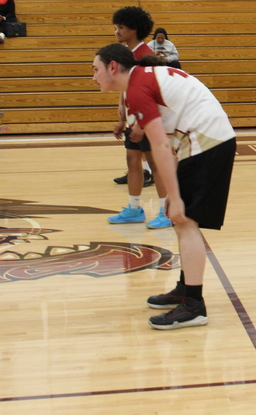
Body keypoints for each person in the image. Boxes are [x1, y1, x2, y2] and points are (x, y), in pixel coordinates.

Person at [92, 43, 237, 330]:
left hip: (207, 142)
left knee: (185, 221)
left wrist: (174, 196)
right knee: (181, 221)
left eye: (95, 70)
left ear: (112, 67)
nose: (93, 77)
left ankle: (193, 305)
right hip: (206, 140)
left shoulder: (136, 88)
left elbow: (159, 146)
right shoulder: (141, 80)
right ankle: (186, 289)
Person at [107, 6, 169, 229]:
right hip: (133, 118)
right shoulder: (125, 55)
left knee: (155, 164)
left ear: (134, 29)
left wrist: (143, 124)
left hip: (146, 120)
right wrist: (122, 118)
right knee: (132, 161)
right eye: (116, 27)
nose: (116, 31)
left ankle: (166, 211)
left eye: (121, 27)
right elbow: (126, 88)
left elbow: (150, 94)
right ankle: (134, 209)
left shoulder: (145, 57)